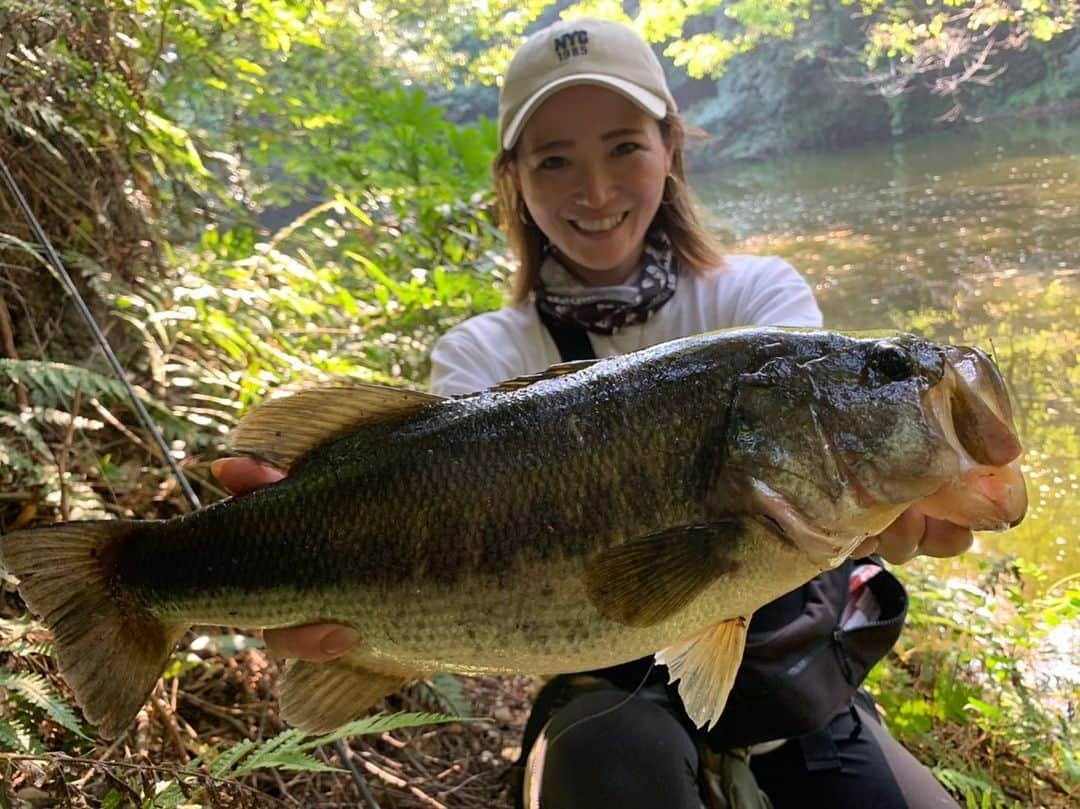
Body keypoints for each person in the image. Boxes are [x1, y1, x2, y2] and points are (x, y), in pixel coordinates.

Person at [213, 17, 974, 808]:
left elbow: (812, 482)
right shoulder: (478, 357)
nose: (597, 190)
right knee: (611, 764)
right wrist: (317, 585)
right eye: (554, 160)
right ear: (513, 177)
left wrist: (896, 494)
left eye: (623, 146)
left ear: (669, 146)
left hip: (787, 686)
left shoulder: (760, 304)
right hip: (598, 700)